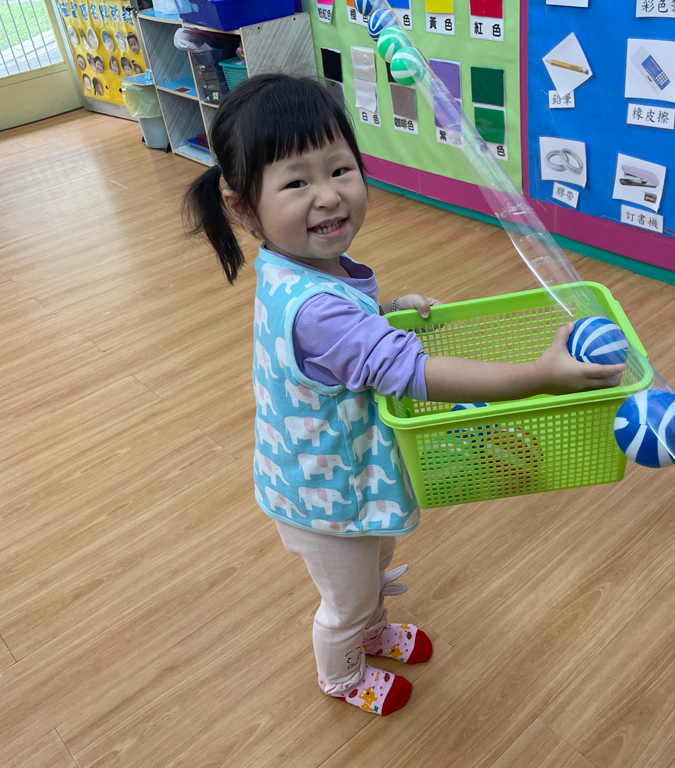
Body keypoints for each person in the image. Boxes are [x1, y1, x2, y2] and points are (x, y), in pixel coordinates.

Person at [182, 74, 625, 716]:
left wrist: (383, 312)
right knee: (346, 598)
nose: (329, 195)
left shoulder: (302, 269)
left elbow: (345, 344)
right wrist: (538, 375)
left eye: (340, 169)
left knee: (375, 558)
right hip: (323, 498)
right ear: (244, 209)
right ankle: (341, 672)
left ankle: (371, 629)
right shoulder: (315, 309)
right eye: (297, 183)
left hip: (345, 475)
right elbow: (411, 370)